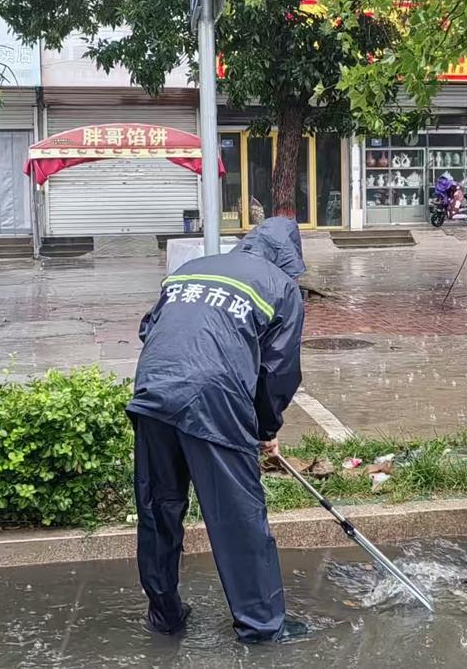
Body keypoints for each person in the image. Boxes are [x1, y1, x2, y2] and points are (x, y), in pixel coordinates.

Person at [127, 217, 307, 643]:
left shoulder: (191, 270)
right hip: (214, 398)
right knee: (237, 516)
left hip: (152, 391)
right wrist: (265, 428)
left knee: (158, 507)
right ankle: (262, 625)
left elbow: (149, 329)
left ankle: (165, 613)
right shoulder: (281, 288)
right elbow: (277, 371)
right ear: (289, 258)